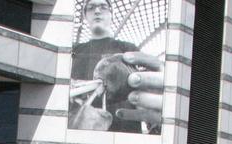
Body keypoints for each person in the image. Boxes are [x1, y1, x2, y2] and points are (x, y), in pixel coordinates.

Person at [69, 0, 162, 133]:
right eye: (91, 7)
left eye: (103, 7)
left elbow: (144, 89)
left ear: (111, 14)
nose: (97, 11)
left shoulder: (129, 49)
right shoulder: (74, 50)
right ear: (85, 16)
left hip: (124, 132)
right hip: (80, 132)